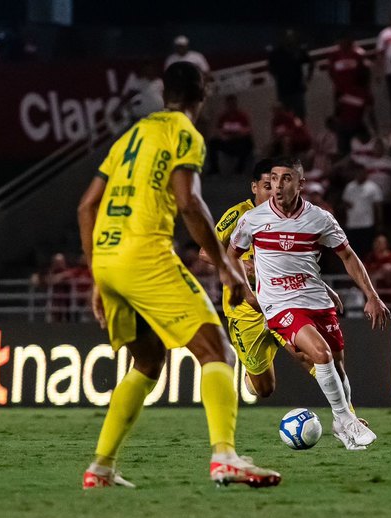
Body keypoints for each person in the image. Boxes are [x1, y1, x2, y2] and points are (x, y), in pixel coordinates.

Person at [76, 62, 279, 489]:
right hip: (145, 254)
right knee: (216, 350)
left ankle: (101, 466)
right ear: (201, 94)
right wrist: (225, 267)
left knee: (148, 360)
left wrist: (97, 275)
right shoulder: (185, 133)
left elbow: (86, 207)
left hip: (108, 259)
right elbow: (188, 202)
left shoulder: (130, 136)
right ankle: (225, 456)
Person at [229, 157, 390, 450]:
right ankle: (346, 420)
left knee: (338, 369)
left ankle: (343, 427)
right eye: (274, 179)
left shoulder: (320, 219)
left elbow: (348, 257)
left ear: (300, 184)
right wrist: (243, 288)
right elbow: (231, 255)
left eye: (286, 178)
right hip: (278, 304)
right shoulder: (252, 219)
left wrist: (372, 295)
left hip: (315, 299)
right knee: (321, 352)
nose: (278, 185)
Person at [205, 158, 328, 398]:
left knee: (310, 356)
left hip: (281, 300)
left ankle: (347, 416)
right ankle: (253, 375)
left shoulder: (289, 217)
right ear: (254, 188)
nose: (274, 191)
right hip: (244, 309)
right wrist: (242, 263)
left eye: (276, 184)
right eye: (267, 185)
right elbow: (204, 251)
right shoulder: (240, 214)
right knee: (264, 389)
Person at [268, 29, 313, 119]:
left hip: (297, 91)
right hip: (283, 92)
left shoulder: (298, 51)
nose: (289, 39)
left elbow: (310, 62)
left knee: (299, 117)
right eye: (287, 37)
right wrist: (278, 77)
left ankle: (300, 132)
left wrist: (308, 78)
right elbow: (270, 68)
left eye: (291, 37)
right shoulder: (276, 53)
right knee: (285, 118)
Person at [207, 95, 253, 175]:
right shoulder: (223, 117)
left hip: (239, 141)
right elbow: (218, 130)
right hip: (226, 142)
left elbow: (247, 130)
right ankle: (214, 168)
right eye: (229, 104)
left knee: (248, 141)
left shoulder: (241, 115)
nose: (231, 106)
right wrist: (223, 136)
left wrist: (237, 134)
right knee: (212, 142)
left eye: (233, 104)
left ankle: (240, 168)